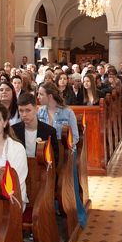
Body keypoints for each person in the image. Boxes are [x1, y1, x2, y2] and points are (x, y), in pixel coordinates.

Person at [37, 83, 84, 225]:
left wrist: (64, 149)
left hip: (65, 153)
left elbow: (75, 137)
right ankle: (50, 209)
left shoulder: (67, 112)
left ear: (50, 96)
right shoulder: (40, 112)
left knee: (67, 180)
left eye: (41, 94)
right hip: (46, 153)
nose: (38, 97)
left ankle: (76, 213)